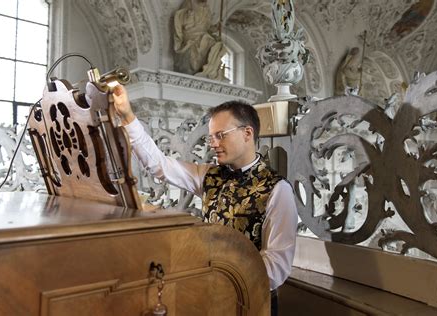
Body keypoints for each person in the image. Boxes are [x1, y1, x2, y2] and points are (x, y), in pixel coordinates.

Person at [113, 85, 298, 316]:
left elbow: (277, 266)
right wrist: (128, 116)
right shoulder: (208, 174)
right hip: (208, 294)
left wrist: (224, 283)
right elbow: (159, 165)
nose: (213, 144)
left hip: (251, 301)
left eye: (220, 135)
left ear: (247, 133)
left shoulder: (278, 189)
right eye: (211, 137)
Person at [173, 0, 227, 81]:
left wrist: (216, 27)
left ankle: (210, 70)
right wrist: (189, 16)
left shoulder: (207, 9)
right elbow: (183, 23)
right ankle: (202, 69)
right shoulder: (189, 3)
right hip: (191, 34)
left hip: (203, 34)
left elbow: (207, 28)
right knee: (207, 40)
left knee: (216, 44)